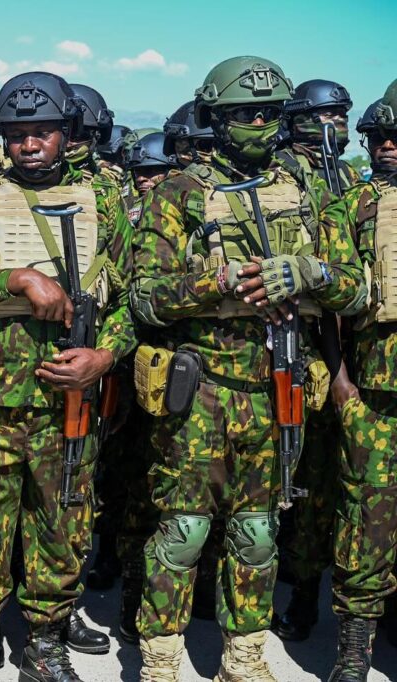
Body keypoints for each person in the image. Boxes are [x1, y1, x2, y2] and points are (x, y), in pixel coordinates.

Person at [129, 55, 365, 681]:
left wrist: (308, 272)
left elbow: (355, 288)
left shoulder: (310, 191)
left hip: (278, 385)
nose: (257, 123)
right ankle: (160, 660)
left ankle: (244, 658)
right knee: (182, 533)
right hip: (201, 390)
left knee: (258, 534)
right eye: (242, 113)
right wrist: (219, 281)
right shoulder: (181, 192)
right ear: (216, 118)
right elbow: (145, 297)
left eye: (267, 113)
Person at [0, 70, 136, 682]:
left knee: (62, 527)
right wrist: (15, 279)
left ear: (67, 133)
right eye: (17, 134)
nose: (29, 144)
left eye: (43, 132)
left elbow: (133, 296)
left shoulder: (106, 201)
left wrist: (105, 357)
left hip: (67, 405)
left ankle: (44, 643)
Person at [272, 77, 360, 644]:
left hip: (352, 341)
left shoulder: (349, 180)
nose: (336, 126)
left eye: (342, 116)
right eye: (327, 116)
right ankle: (297, 590)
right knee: (298, 475)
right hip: (299, 343)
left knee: (338, 480)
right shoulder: (283, 175)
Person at [324, 85, 397, 682]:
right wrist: (340, 382)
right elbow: (327, 306)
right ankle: (354, 648)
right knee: (366, 525)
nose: (387, 146)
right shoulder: (351, 205)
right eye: (379, 137)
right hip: (373, 396)